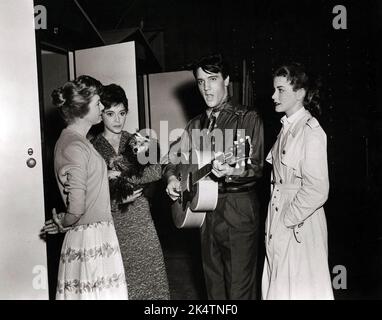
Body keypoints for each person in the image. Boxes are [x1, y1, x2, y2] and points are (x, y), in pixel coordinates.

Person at [164, 54, 264, 299]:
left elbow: (256, 166)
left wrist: (231, 172)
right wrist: (171, 179)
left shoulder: (247, 118)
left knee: (240, 291)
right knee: (214, 291)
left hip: (236, 211)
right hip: (203, 215)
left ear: (227, 80)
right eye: (200, 81)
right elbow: (172, 161)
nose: (206, 87)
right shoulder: (194, 125)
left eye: (212, 79)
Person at [41, 75, 128, 300]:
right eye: (98, 103)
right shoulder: (74, 145)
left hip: (96, 233)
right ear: (82, 107)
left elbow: (83, 181)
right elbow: (77, 206)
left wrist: (105, 176)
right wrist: (64, 221)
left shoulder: (76, 140)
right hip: (91, 238)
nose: (102, 107)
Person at [91, 83, 170, 300]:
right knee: (118, 285)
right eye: (110, 113)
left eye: (122, 113)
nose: (117, 120)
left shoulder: (136, 139)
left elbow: (155, 171)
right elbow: (91, 190)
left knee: (151, 285)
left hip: (140, 219)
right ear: (100, 114)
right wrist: (118, 196)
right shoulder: (94, 147)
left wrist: (119, 176)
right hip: (110, 222)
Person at [261, 63, 333, 300]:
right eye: (274, 89)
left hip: (300, 226)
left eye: (280, 90)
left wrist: (287, 219)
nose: (273, 96)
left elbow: (318, 189)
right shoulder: (286, 128)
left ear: (300, 93)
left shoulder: (310, 130)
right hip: (281, 221)